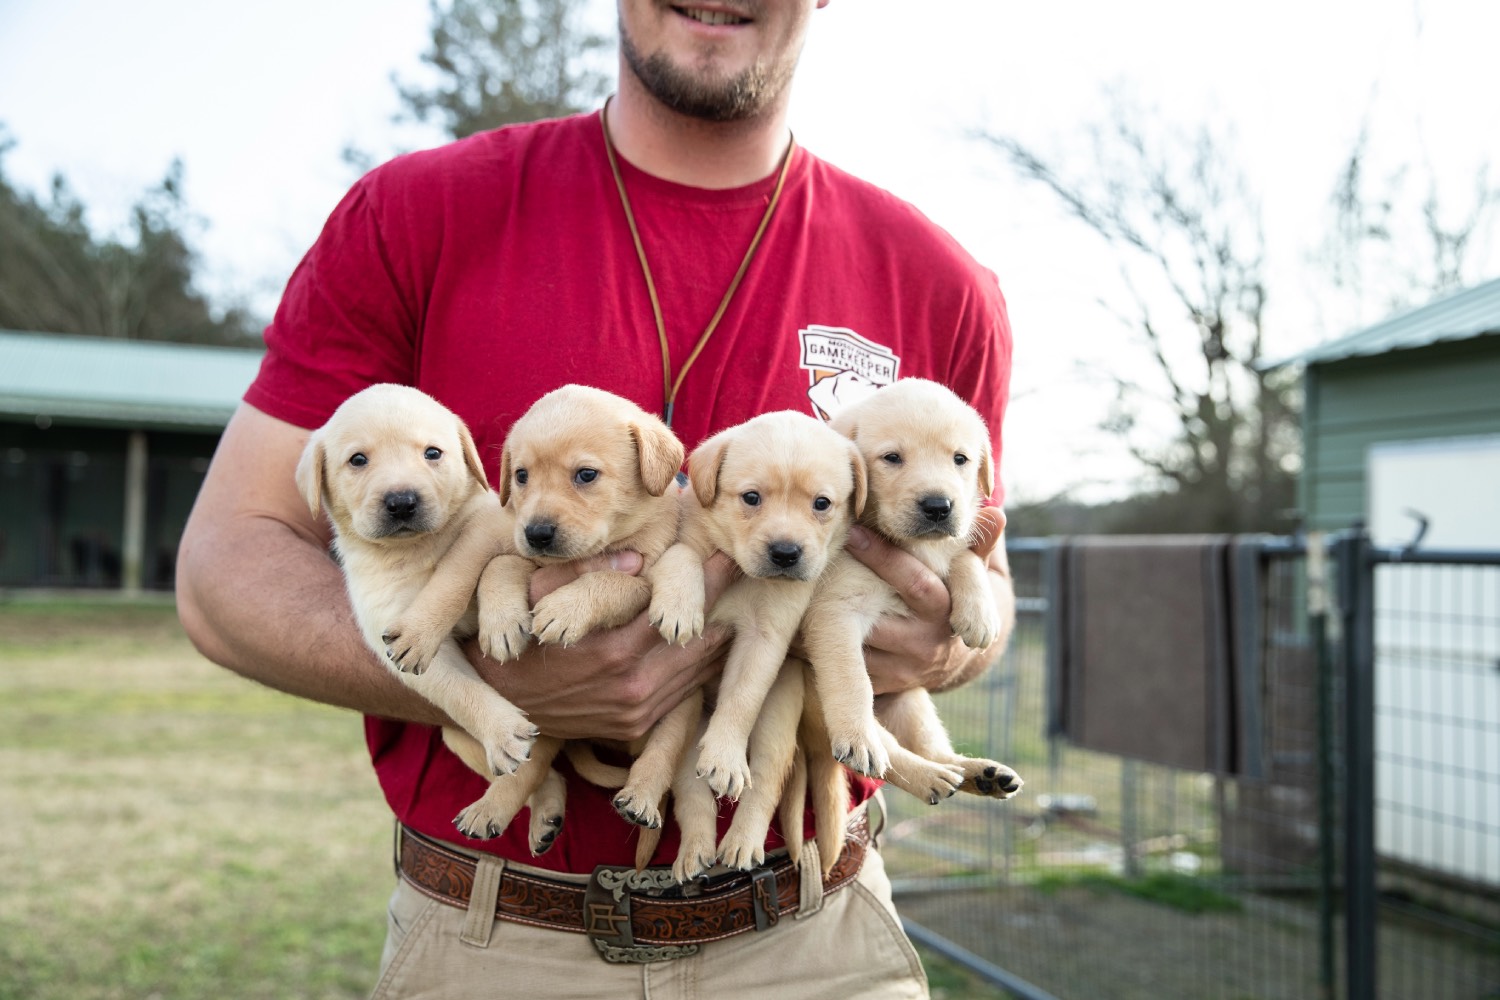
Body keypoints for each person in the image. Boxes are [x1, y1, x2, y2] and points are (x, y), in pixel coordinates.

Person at [176, 1, 1015, 996]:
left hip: (813, 931)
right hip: (499, 939)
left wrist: (945, 637)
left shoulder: (940, 283)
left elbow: (980, 595)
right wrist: (478, 683)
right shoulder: (417, 216)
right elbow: (227, 565)